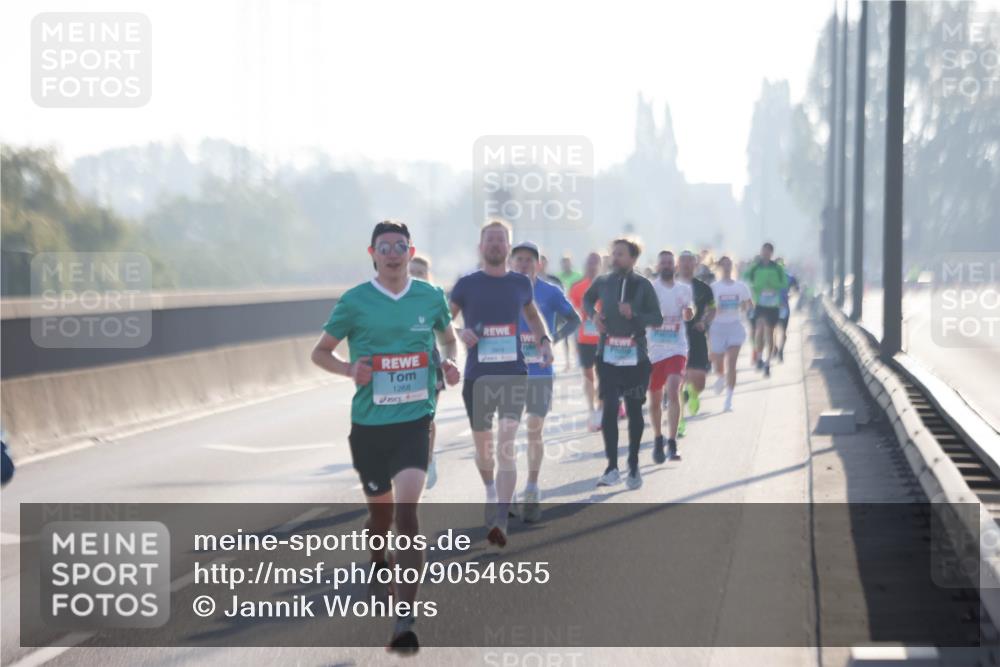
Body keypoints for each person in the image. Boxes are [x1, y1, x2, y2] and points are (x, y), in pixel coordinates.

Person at [311, 221, 460, 654]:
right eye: (384, 247)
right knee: (381, 518)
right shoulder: (356, 301)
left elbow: (449, 341)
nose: (393, 253)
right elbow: (320, 351)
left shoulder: (430, 297)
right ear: (372, 253)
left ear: (411, 251)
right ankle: (377, 554)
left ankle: (403, 622)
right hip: (370, 425)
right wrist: (347, 369)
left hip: (415, 420)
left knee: (407, 517)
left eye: (400, 246)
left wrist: (450, 365)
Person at [450, 220, 553, 547]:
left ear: (507, 247)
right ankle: (491, 492)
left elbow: (533, 316)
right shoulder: (466, 284)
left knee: (506, 442)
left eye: (501, 240)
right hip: (478, 376)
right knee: (485, 450)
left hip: (513, 373)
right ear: (481, 246)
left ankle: (501, 518)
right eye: (490, 240)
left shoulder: (521, 283)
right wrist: (458, 333)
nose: (496, 245)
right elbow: (443, 321)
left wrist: (545, 342)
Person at [583, 238, 663, 490]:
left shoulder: (643, 285)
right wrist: (594, 315)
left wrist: (635, 315)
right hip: (607, 354)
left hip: (635, 357)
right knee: (609, 409)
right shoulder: (604, 282)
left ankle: (634, 464)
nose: (615, 257)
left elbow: (658, 318)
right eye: (613, 253)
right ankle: (612, 467)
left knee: (634, 410)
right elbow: (587, 299)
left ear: (633, 258)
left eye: (620, 254)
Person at [511, 241, 580, 522]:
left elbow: (573, 319)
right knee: (507, 433)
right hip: (509, 371)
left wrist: (551, 340)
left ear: (538, 264)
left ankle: (531, 487)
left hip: (540, 371)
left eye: (529, 260)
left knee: (534, 430)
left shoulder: (550, 291)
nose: (524, 264)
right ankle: (507, 492)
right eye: (519, 260)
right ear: (511, 263)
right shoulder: (502, 289)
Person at [647, 251, 693, 463]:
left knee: (673, 390)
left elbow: (688, 308)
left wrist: (689, 312)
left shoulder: (683, 289)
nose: (666, 265)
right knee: (655, 399)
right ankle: (658, 437)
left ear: (675, 266)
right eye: (663, 262)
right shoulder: (650, 288)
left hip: (677, 347)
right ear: (658, 266)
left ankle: (672, 441)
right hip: (654, 350)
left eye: (669, 263)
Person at [408, 255, 443, 489]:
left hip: (430, 364)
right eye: (413, 272)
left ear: (428, 275)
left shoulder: (433, 298)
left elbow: (447, 330)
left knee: (427, 416)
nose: (416, 276)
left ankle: (428, 459)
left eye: (421, 273)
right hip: (404, 366)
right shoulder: (395, 298)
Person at [677, 250, 716, 431]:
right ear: (678, 264)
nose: (685, 265)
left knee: (699, 381)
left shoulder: (703, 288)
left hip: (696, 335)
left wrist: (704, 322)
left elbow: (713, 309)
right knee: (676, 379)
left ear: (695, 265)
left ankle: (693, 393)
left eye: (689, 261)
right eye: (682, 261)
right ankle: (679, 421)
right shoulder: (671, 286)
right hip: (675, 337)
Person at [709, 256, 754, 411]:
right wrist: (715, 309)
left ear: (732, 266)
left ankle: (728, 399)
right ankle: (721, 377)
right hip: (718, 328)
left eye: (729, 264)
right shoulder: (714, 287)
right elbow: (708, 308)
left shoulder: (741, 286)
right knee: (718, 364)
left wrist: (743, 306)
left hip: (735, 327)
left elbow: (749, 305)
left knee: (732, 364)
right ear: (719, 267)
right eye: (724, 264)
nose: (727, 267)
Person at [568, 252, 604, 431]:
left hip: (604, 338)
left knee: (604, 375)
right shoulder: (577, 287)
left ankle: (601, 408)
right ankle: (592, 409)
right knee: (588, 375)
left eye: (595, 263)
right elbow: (571, 311)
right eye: (589, 263)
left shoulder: (606, 286)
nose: (591, 266)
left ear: (600, 265)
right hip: (584, 337)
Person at [743, 242, 789, 378]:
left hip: (773, 305)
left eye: (768, 251)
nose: (765, 254)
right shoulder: (755, 267)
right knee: (759, 330)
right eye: (764, 251)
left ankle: (768, 363)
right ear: (761, 252)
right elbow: (746, 278)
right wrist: (756, 288)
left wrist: (772, 286)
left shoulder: (777, 268)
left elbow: (784, 283)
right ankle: (758, 357)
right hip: (760, 304)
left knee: (770, 334)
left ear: (771, 253)